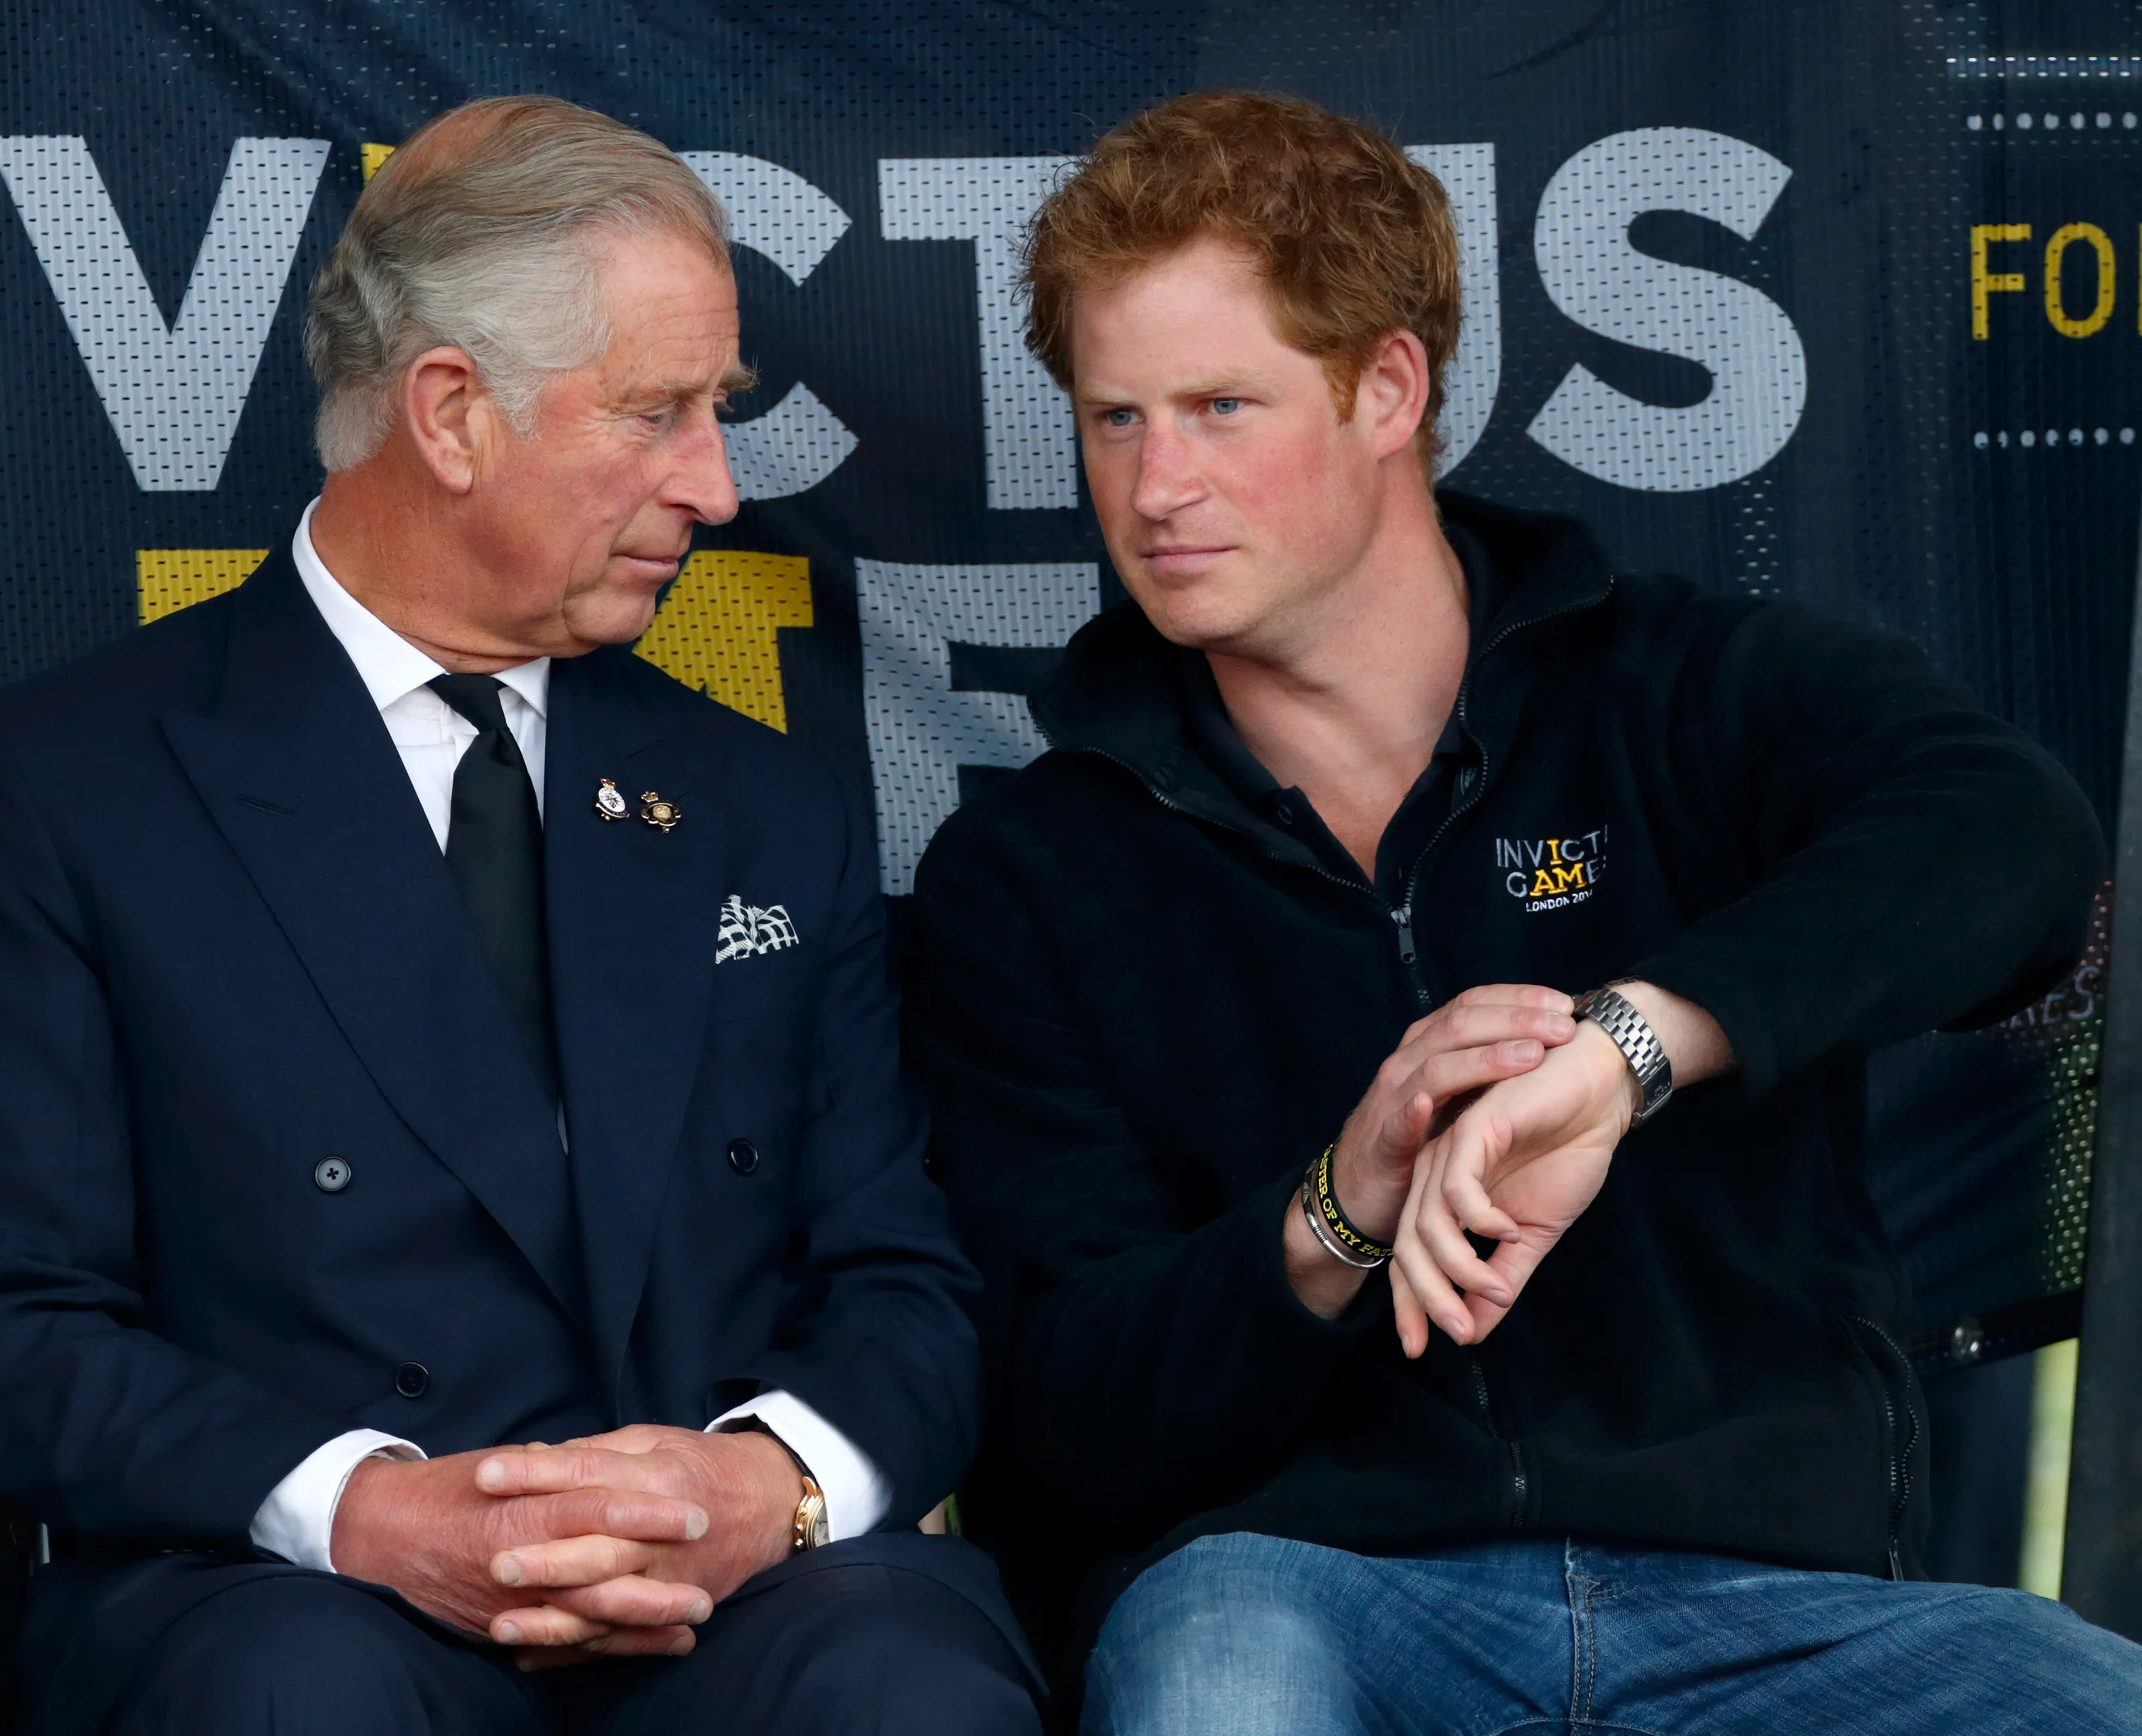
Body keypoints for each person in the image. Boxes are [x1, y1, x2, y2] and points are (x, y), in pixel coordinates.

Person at [902, 89, 2142, 1734]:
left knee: (2081, 1689)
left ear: (1388, 389)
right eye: (1116, 418)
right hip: (1300, 1591)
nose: (1157, 484)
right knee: (1218, 1677)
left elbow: (2016, 840)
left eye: (1219, 405)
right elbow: (1058, 1415)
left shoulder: (1682, 686)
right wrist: (1336, 1210)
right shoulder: (1033, 864)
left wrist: (1630, 1052)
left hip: (1770, 1602)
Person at [0, 96, 1039, 1736]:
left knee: (906, 1691)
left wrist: (767, 1487)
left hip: (735, 1604)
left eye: (720, 409)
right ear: (452, 413)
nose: (714, 482)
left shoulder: (764, 801)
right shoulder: (65, 789)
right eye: (658, 412)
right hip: (285, 1590)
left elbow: (903, 1280)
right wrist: (366, 1511)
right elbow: (4, 1317)